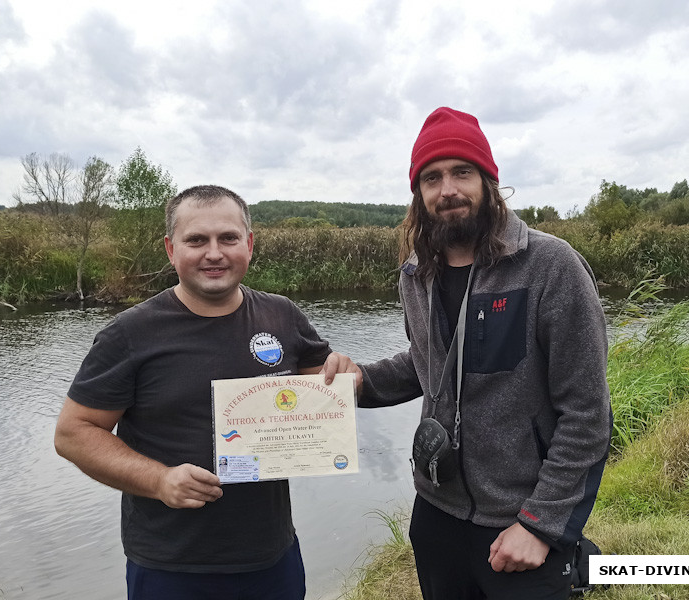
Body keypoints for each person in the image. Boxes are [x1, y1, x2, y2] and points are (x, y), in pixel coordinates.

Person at [324, 107, 612, 599]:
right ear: (418, 193)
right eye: (431, 178)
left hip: (519, 524)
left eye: (462, 172)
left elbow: (587, 414)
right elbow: (426, 363)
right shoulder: (417, 274)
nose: (447, 189)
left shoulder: (549, 267)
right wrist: (361, 383)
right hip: (436, 512)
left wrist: (540, 526)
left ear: (489, 181)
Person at [54, 185, 338, 600]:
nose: (214, 253)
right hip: (172, 565)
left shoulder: (282, 315)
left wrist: (347, 374)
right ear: (171, 249)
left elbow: (330, 387)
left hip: (271, 557)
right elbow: (73, 433)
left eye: (228, 238)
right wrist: (159, 480)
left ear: (249, 244)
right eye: (196, 240)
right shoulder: (130, 333)